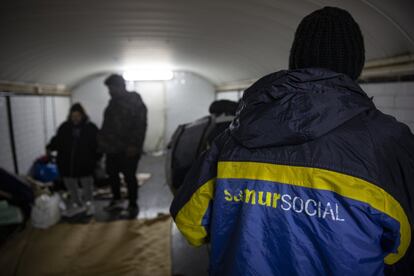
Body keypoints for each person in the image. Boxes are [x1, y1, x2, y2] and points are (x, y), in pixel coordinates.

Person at [170, 7, 414, 275]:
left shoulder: (231, 138)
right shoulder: (392, 144)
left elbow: (189, 223)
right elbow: (400, 250)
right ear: (356, 65)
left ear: (295, 60)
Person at [99, 74, 147, 217]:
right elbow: (107, 126)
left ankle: (133, 204)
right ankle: (116, 200)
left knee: (129, 176)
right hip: (112, 148)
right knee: (112, 175)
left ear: (120, 86)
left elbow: (141, 124)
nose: (109, 91)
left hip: (129, 149)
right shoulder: (112, 102)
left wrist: (135, 145)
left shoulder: (134, 100)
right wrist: (102, 144)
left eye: (111, 88)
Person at [47, 103, 99, 215]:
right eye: (73, 116)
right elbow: (57, 140)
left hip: (85, 163)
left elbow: (97, 145)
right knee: (71, 185)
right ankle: (77, 203)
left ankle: (89, 204)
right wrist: (50, 147)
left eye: (78, 116)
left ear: (83, 115)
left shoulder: (90, 128)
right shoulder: (64, 127)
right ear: (70, 116)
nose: (75, 118)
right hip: (67, 163)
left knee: (87, 185)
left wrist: (96, 159)